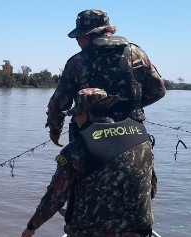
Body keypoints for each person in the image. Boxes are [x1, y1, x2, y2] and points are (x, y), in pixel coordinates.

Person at [21, 87, 158, 237]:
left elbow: (55, 197)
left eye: (76, 115)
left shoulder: (75, 149)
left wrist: (32, 226)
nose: (74, 119)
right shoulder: (142, 140)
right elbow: (152, 189)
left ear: (84, 114)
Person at [46, 9, 166, 146]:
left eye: (79, 36)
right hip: (133, 140)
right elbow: (159, 91)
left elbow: (58, 105)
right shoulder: (137, 54)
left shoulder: (77, 62)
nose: (77, 40)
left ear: (89, 35)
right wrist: (130, 107)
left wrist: (55, 132)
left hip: (89, 144)